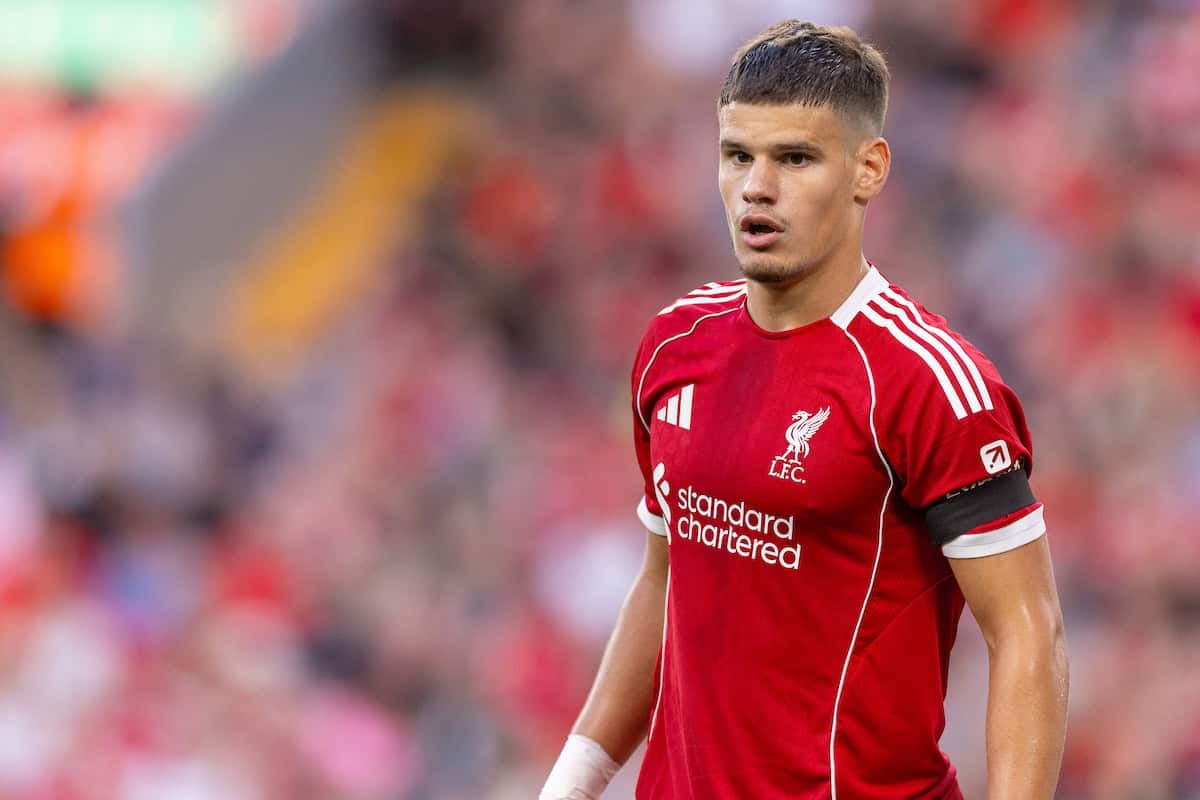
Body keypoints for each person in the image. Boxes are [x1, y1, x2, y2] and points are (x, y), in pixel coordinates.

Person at [540, 20, 1069, 800]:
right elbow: (663, 579)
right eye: (737, 156)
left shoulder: (932, 385)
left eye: (794, 158)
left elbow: (1028, 633)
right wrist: (573, 783)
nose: (757, 186)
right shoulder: (673, 345)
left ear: (868, 169)